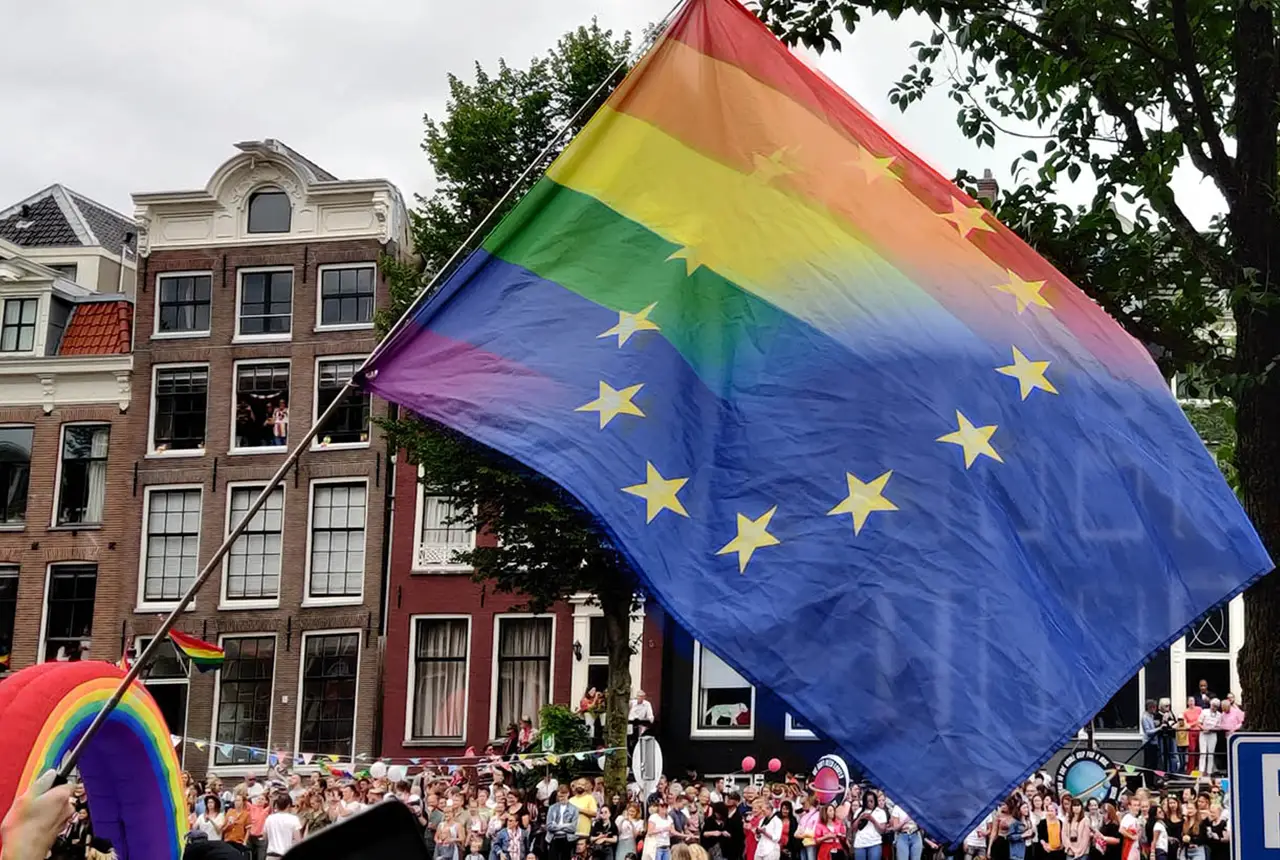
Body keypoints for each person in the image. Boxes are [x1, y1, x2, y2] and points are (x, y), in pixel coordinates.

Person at [850, 790, 887, 860]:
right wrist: (859, 818)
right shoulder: (859, 811)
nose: (869, 803)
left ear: (875, 801)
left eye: (871, 801)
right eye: (867, 801)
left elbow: (882, 830)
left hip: (874, 843)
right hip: (860, 844)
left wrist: (873, 820)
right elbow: (853, 829)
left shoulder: (881, 812)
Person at [262, 794, 301, 860]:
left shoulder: (270, 818)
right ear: (289, 805)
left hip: (271, 855)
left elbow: (264, 837)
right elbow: (298, 840)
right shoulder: (294, 819)